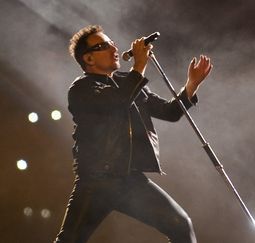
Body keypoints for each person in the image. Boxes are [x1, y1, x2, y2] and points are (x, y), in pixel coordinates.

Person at [55, 25, 212, 243]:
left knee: (180, 224)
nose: (113, 48)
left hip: (129, 181)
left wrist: (190, 86)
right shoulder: (81, 89)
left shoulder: (126, 82)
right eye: (104, 45)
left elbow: (169, 112)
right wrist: (138, 65)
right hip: (96, 182)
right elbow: (117, 102)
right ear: (88, 59)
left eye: (112, 43)